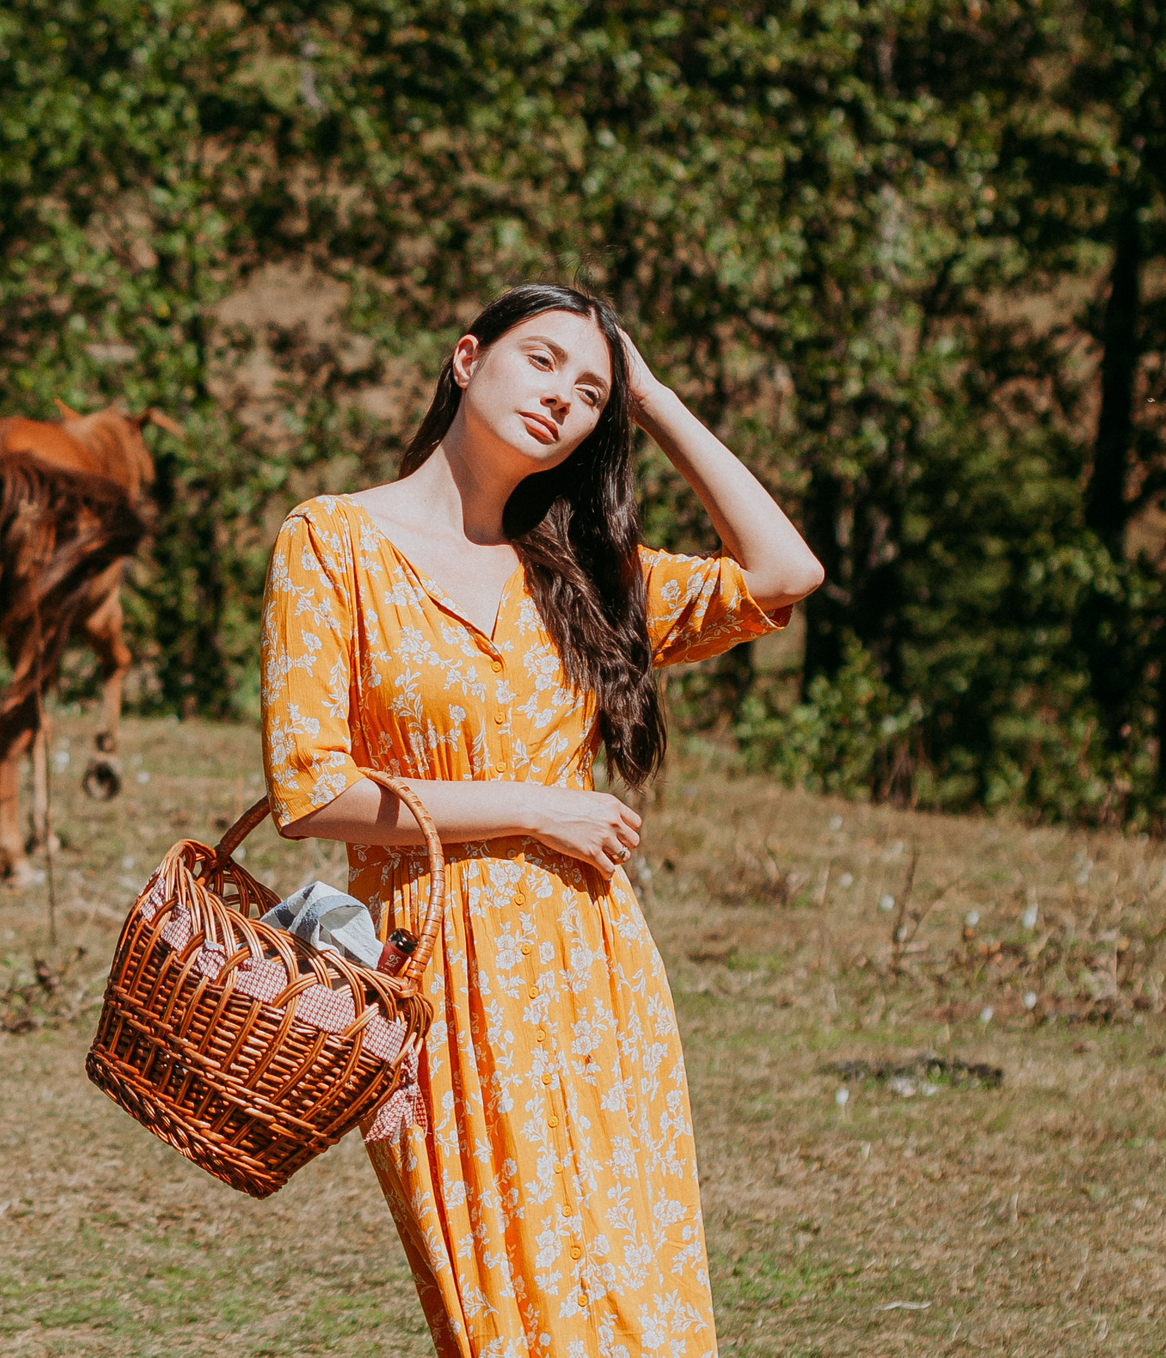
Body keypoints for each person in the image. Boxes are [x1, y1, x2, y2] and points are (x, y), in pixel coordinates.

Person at [262, 283, 824, 1358]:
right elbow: (308, 790)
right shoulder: (331, 543)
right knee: (510, 1319)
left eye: (590, 392)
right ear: (467, 359)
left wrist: (651, 401)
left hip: (593, 979)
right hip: (430, 979)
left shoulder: (582, 577)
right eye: (542, 361)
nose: (562, 396)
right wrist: (536, 808)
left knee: (639, 1311)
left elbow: (782, 573)